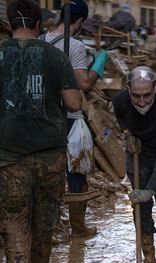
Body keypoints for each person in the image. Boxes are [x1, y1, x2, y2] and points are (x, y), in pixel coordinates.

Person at [0, 0, 81, 263]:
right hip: (50, 155)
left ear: (10, 23)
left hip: (9, 157)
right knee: (44, 220)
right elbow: (74, 103)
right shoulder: (55, 56)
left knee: (14, 223)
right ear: (39, 24)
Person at [42, 0, 108, 238]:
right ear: (79, 22)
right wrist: (100, 62)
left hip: (44, 117)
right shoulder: (76, 46)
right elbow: (84, 83)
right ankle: (78, 227)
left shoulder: (41, 40)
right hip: (69, 116)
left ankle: (47, 228)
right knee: (77, 170)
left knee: (48, 173)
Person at [112, 67, 156, 263]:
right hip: (138, 153)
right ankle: (148, 254)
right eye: (136, 96)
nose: (142, 102)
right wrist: (127, 133)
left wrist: (151, 188)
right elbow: (121, 117)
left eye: (147, 95)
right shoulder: (119, 101)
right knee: (140, 206)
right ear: (128, 90)